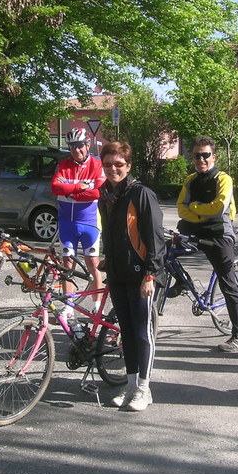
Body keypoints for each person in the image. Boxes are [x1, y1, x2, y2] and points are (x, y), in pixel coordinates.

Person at [98, 141, 165, 412]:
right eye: (108, 164)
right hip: (118, 272)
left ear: (128, 166)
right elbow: (111, 233)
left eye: (119, 164)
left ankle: (144, 389)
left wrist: (150, 274)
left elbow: (155, 238)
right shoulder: (105, 194)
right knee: (125, 332)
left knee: (142, 332)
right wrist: (107, 258)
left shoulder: (141, 194)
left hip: (141, 275)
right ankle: (130, 385)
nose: (113, 169)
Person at [176, 135, 238, 353]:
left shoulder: (223, 179)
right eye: (197, 155)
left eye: (205, 155)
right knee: (163, 251)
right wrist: (199, 215)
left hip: (219, 234)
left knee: (228, 283)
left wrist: (194, 208)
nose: (201, 159)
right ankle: (181, 281)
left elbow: (218, 208)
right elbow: (180, 208)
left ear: (213, 156)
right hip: (196, 231)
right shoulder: (190, 180)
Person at [51, 127, 105, 293]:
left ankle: (96, 307)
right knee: (67, 265)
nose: (76, 150)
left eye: (80, 145)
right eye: (72, 146)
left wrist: (70, 192)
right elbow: (55, 187)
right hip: (67, 222)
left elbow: (97, 192)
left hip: (90, 222)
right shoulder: (64, 165)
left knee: (92, 263)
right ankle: (68, 307)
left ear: (88, 144)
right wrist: (78, 187)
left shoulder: (97, 164)